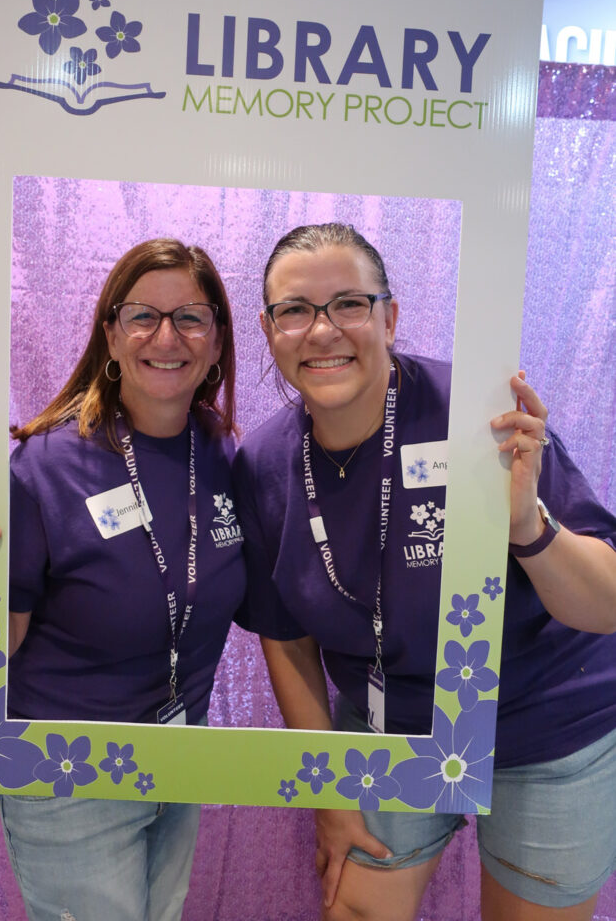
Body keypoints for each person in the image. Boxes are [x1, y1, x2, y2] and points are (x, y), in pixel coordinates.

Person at [233, 223, 616, 921]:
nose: (322, 330)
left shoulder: (477, 416)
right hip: (390, 726)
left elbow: (606, 606)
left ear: (389, 317)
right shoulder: (262, 467)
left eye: (349, 303)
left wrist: (527, 527)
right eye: (295, 310)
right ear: (268, 330)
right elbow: (285, 640)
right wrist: (328, 792)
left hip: (544, 718)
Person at [0, 238, 246, 921]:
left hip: (179, 759)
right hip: (69, 779)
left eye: (190, 317)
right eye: (142, 316)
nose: (166, 337)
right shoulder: (43, 467)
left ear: (218, 340)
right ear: (110, 333)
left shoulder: (225, 452)